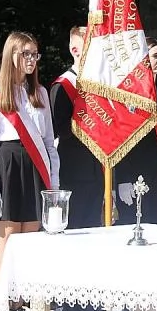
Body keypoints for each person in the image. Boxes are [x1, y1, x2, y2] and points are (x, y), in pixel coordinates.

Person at [0, 31, 60, 311]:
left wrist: (53, 179)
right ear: (10, 55)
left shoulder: (38, 93)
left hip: (35, 167)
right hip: (9, 166)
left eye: (35, 54)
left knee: (30, 237)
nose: (31, 60)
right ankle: (1, 309)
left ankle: (18, 303)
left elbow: (49, 143)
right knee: (9, 239)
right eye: (25, 53)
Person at [113, 37, 157, 227]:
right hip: (134, 171)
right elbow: (121, 138)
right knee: (134, 226)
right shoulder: (128, 92)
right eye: (156, 56)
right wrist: (122, 178)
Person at [50, 27, 105, 230]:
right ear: (75, 50)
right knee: (75, 226)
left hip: (96, 167)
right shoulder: (63, 85)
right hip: (74, 169)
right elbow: (59, 128)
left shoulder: (100, 84)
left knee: (94, 226)